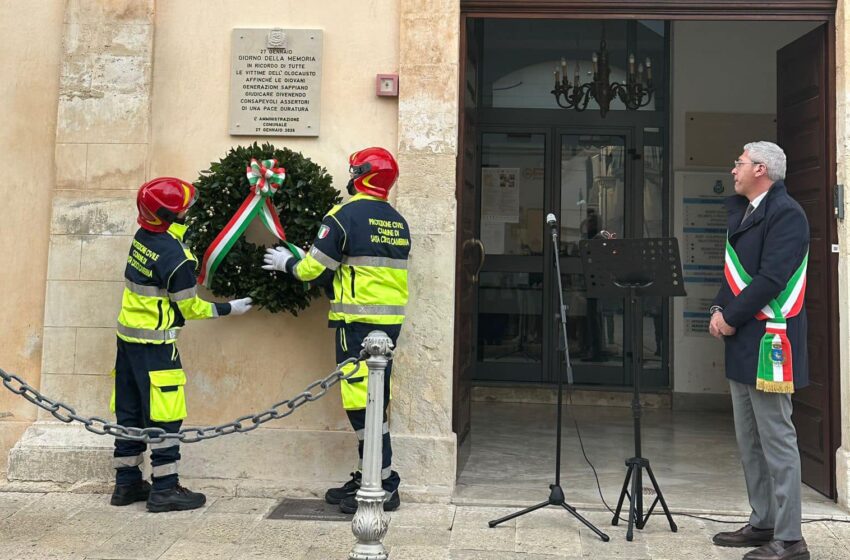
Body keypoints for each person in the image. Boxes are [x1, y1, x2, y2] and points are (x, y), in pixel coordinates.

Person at [262, 147, 410, 514]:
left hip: (356, 328)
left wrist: (289, 264)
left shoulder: (344, 216)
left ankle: (383, 484)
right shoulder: (397, 220)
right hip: (387, 327)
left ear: (361, 175)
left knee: (363, 407)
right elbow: (360, 269)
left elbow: (316, 269)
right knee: (374, 402)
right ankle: (368, 477)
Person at [110, 177, 254, 513]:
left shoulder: (142, 237)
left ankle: (126, 483)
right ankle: (164, 488)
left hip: (128, 341)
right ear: (169, 215)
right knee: (166, 415)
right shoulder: (175, 256)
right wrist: (228, 308)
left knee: (129, 412)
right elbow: (190, 307)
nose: (189, 210)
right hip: (157, 347)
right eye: (184, 208)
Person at [709, 142, 810, 560]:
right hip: (742, 341)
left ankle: (789, 538)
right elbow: (734, 273)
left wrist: (731, 316)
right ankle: (763, 520)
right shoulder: (745, 211)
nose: (734, 169)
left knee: (776, 439)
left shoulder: (787, 214)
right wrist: (718, 308)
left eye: (740, 163)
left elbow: (771, 279)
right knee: (750, 439)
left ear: (761, 169)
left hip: (771, 341)